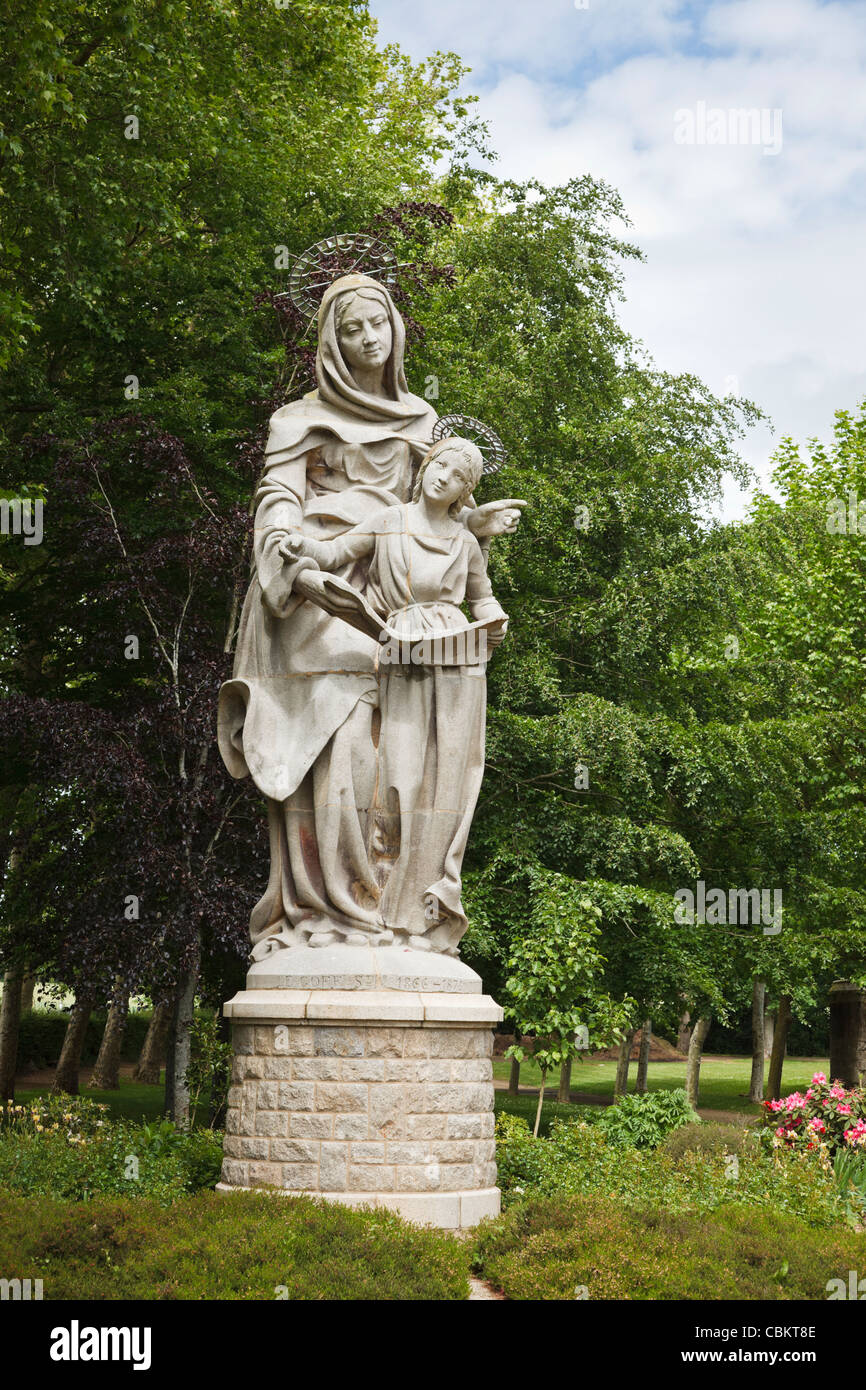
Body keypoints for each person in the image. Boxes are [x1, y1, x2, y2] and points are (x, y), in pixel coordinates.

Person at [217, 272, 524, 955]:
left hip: (401, 590)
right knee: (348, 733)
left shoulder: (419, 418)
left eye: (376, 324)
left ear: (395, 329)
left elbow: (433, 502)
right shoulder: (296, 420)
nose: (367, 339)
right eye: (351, 329)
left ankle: (398, 907)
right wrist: (284, 549)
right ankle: (331, 908)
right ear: (332, 341)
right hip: (320, 587)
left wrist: (473, 524)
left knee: (408, 748)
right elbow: (277, 498)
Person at [282, 436, 509, 952]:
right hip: (403, 651)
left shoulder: (465, 542)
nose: (444, 477)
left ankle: (423, 917)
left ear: (464, 491)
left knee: (445, 784)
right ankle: (384, 906)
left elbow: (483, 598)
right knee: (400, 781)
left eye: (458, 476)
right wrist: (296, 547)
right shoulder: (389, 521)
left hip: (459, 659)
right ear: (427, 465)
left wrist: (494, 621)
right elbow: (335, 552)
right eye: (441, 465)